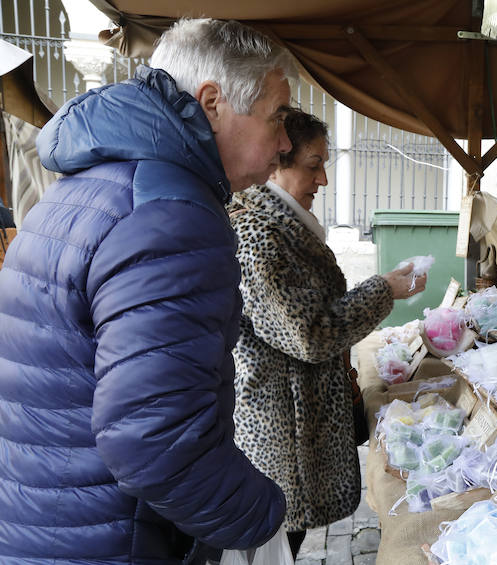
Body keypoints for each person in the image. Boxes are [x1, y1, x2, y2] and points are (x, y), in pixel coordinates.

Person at [0, 18, 295, 563]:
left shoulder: (89, 184)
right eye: (277, 118)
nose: (284, 142)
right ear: (212, 103)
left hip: (47, 526)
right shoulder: (170, 217)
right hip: (111, 540)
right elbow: (155, 442)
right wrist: (261, 515)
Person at [228, 108, 427, 558]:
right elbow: (309, 334)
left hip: (299, 416)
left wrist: (383, 288)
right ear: (278, 161)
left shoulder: (285, 226)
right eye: (312, 165)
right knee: (274, 537)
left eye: (324, 165)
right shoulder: (259, 235)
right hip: (282, 421)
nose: (322, 180)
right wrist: (384, 290)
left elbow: (314, 312)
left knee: (284, 539)